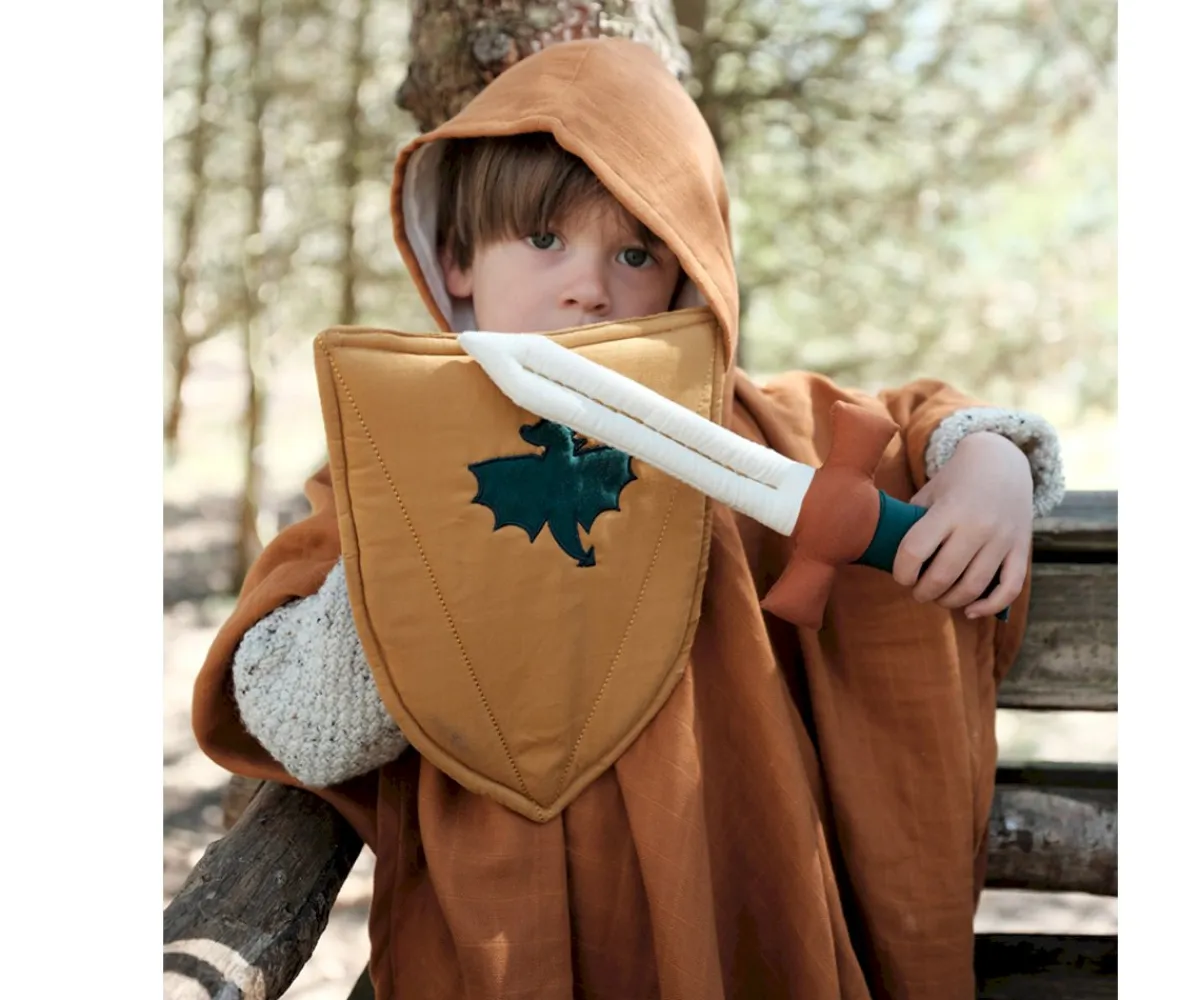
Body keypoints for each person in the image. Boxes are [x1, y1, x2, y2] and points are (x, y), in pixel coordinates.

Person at [193, 37, 1065, 1000]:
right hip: (502, 925)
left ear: (688, 277)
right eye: (544, 239)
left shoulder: (741, 431)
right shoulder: (385, 459)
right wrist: (420, 544)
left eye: (635, 253)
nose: (588, 286)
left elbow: (912, 422)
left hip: (734, 891)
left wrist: (990, 462)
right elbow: (304, 725)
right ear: (458, 258)